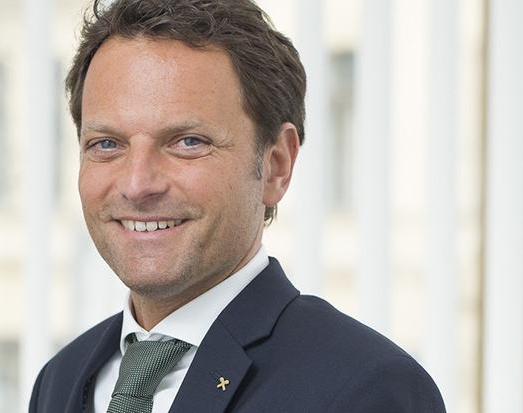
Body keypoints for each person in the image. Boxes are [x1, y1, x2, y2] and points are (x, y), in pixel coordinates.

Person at [29, 0, 446, 412]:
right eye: (106, 144)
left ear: (276, 166)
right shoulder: (60, 379)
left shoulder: (366, 387)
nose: (136, 185)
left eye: (188, 142)